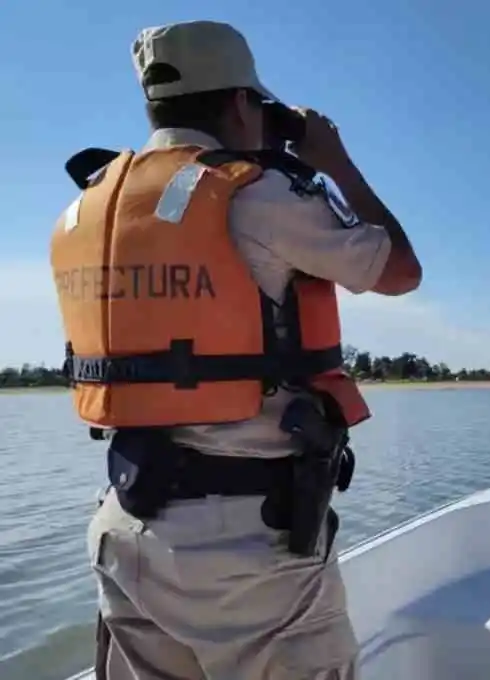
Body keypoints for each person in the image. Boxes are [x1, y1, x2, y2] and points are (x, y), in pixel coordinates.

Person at [50, 20, 421, 680]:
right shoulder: (253, 193)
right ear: (242, 103)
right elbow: (400, 270)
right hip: (244, 554)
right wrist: (331, 159)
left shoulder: (85, 210)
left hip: (124, 524)